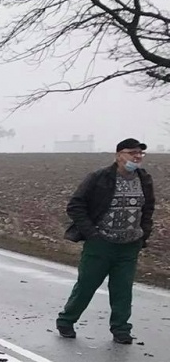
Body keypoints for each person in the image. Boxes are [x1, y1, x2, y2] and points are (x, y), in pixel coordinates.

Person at [57, 138, 155, 344]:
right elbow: (75, 205)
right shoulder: (99, 178)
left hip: (129, 245)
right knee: (87, 285)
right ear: (119, 155)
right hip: (101, 244)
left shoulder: (144, 179)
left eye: (140, 153)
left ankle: (121, 329)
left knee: (123, 289)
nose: (137, 157)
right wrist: (92, 233)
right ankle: (66, 320)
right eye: (132, 153)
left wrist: (143, 233)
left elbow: (148, 209)